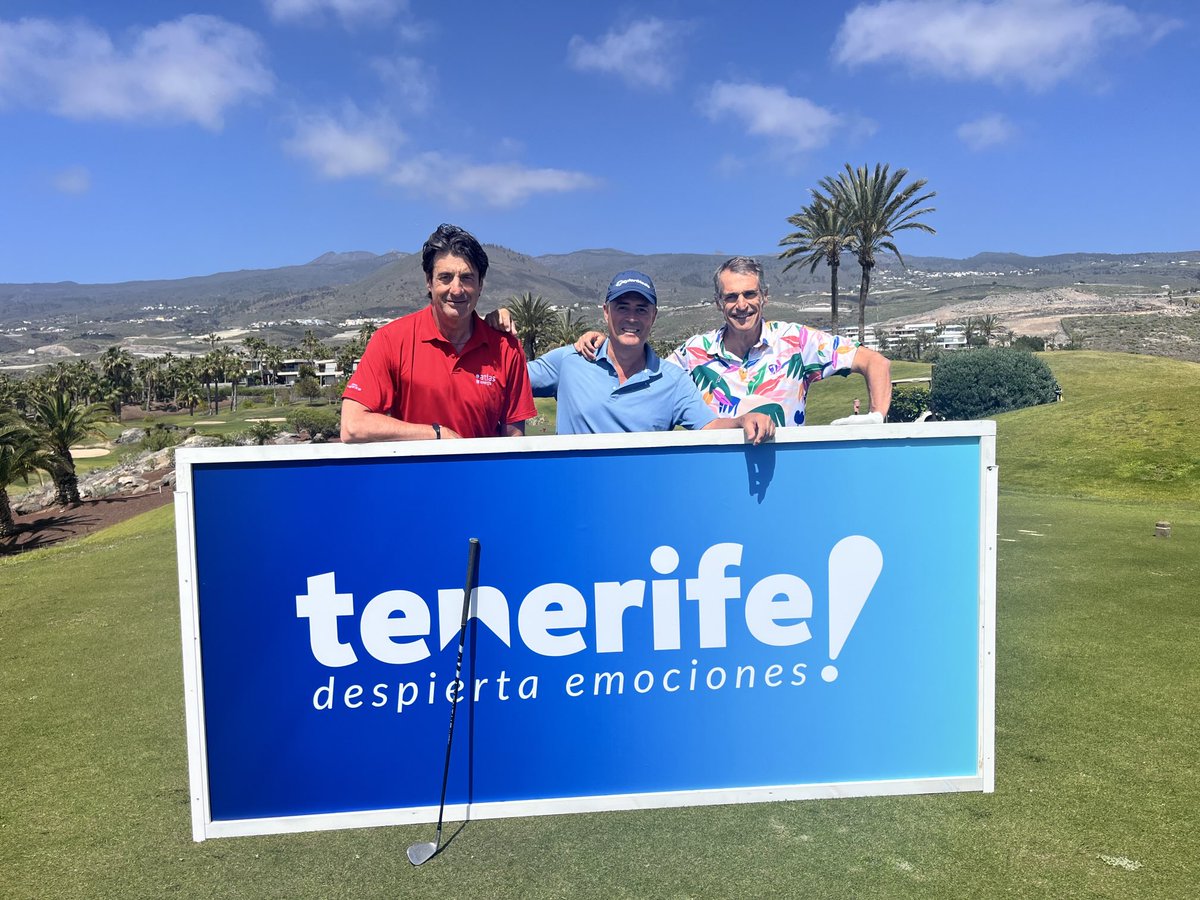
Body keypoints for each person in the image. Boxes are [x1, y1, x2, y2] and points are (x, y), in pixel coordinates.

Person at [577, 256, 891, 426]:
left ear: (764, 297)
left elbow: (875, 362)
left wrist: (876, 419)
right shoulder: (694, 353)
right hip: (715, 487)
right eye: (731, 296)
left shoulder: (796, 341)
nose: (741, 304)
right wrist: (610, 340)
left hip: (787, 480)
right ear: (718, 302)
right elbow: (645, 378)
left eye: (749, 294)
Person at [340, 224, 536, 442]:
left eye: (467, 278)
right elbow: (352, 426)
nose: (456, 289)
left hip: (481, 477)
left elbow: (514, 442)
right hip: (414, 476)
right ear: (429, 282)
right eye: (445, 277)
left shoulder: (506, 349)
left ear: (480, 285)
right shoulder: (391, 340)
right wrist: (436, 434)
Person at [528, 270, 774, 443]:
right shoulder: (570, 360)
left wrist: (742, 420)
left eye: (641, 309)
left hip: (640, 504)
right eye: (622, 307)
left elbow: (708, 426)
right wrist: (494, 325)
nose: (632, 318)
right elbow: (505, 377)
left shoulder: (673, 380)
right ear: (605, 312)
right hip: (572, 501)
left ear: (654, 316)